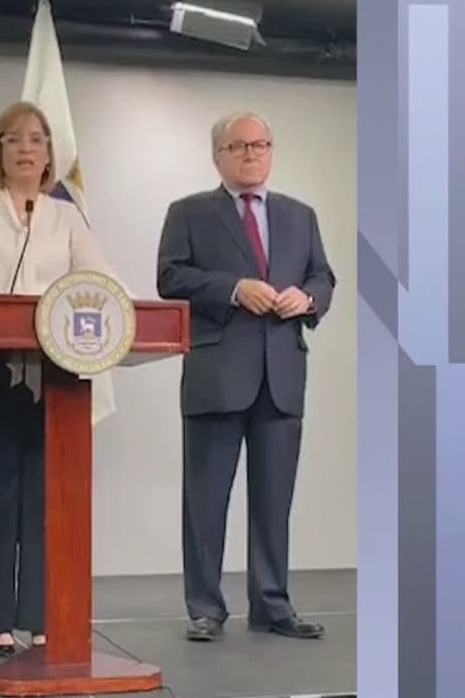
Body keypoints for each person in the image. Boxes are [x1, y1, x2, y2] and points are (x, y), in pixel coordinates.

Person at [0, 101, 117, 657]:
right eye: (13, 139)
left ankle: (41, 616)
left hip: (53, 367)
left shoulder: (64, 215)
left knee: (44, 496)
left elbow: (101, 278)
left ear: (49, 153)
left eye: (36, 139)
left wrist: (127, 307)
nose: (26, 149)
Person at [156, 111, 335, 642]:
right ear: (218, 156)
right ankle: (206, 607)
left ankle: (272, 604)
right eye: (239, 146)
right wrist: (233, 289)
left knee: (274, 501)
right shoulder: (189, 212)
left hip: (282, 375)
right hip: (216, 376)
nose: (252, 154)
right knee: (206, 501)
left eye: (261, 145)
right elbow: (170, 276)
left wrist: (308, 298)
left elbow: (322, 276)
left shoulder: (300, 215)